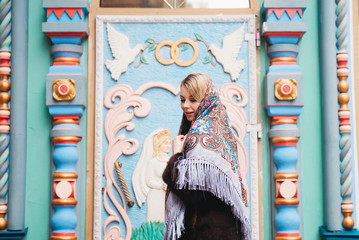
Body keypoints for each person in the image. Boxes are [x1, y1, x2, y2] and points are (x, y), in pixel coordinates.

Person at [162, 73, 250, 240]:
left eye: (193, 100)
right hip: (226, 230)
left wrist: (176, 155)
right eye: (182, 99)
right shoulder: (221, 129)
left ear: (206, 100)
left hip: (206, 231)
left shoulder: (199, 136)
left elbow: (190, 192)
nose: (185, 106)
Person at [132, 128, 172, 222]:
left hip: (168, 195)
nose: (169, 146)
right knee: (155, 220)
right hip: (155, 194)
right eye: (166, 143)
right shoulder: (153, 162)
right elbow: (149, 180)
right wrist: (161, 186)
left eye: (169, 143)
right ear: (159, 144)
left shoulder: (171, 161)